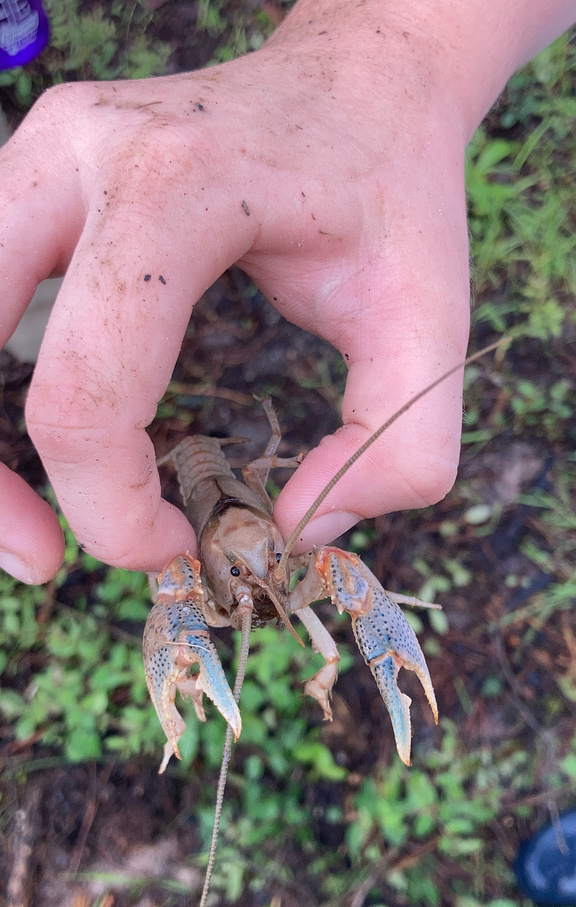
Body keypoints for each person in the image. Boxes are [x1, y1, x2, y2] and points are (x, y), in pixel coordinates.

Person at [0, 0, 574, 585]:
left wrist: (408, 46)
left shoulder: (282, 553)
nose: (264, 572)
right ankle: (67, 342)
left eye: (267, 562)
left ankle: (85, 340)